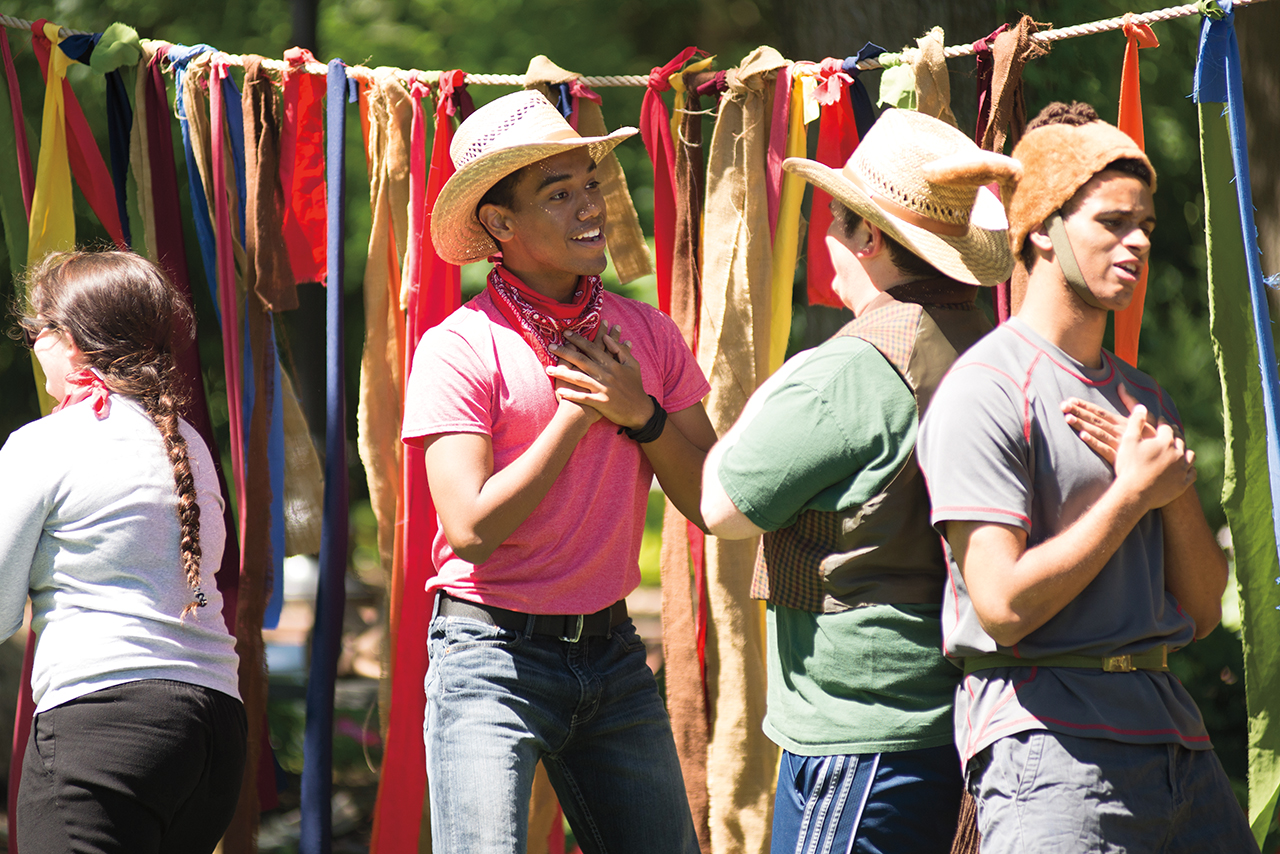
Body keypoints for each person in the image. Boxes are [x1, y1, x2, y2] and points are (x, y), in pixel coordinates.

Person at [916, 102, 1258, 852]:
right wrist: (1131, 496)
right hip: (1050, 751)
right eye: (1111, 223)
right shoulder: (988, 390)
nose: (1136, 243)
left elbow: (1200, 610)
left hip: (1175, 744)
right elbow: (1001, 606)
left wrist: (1172, 494)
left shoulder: (1144, 395)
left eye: (1145, 226)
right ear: (1041, 227)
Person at [402, 90, 715, 854]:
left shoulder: (645, 332)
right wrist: (579, 417)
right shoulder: (458, 348)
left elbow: (713, 496)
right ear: (500, 225)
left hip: (613, 655)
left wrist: (638, 413)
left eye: (590, 184)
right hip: (488, 659)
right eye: (559, 192)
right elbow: (469, 529)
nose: (591, 206)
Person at [700, 108, 1019, 854]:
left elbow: (722, 505)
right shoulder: (996, 348)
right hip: (970, 713)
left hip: (860, 733)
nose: (827, 245)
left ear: (870, 239)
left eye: (837, 225)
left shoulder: (846, 369)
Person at [1, 250, 246, 854]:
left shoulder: (46, 443)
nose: (35, 345)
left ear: (75, 344)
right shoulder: (186, 441)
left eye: (42, 329)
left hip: (105, 726)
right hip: (214, 729)